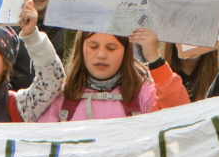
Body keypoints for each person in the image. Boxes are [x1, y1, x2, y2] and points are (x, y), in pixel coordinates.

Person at [38, 28, 189, 121]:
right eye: (93, 46)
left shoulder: (142, 94)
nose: (101, 55)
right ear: (80, 48)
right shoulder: (62, 97)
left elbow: (179, 115)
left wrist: (155, 60)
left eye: (111, 48)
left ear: (126, 53)